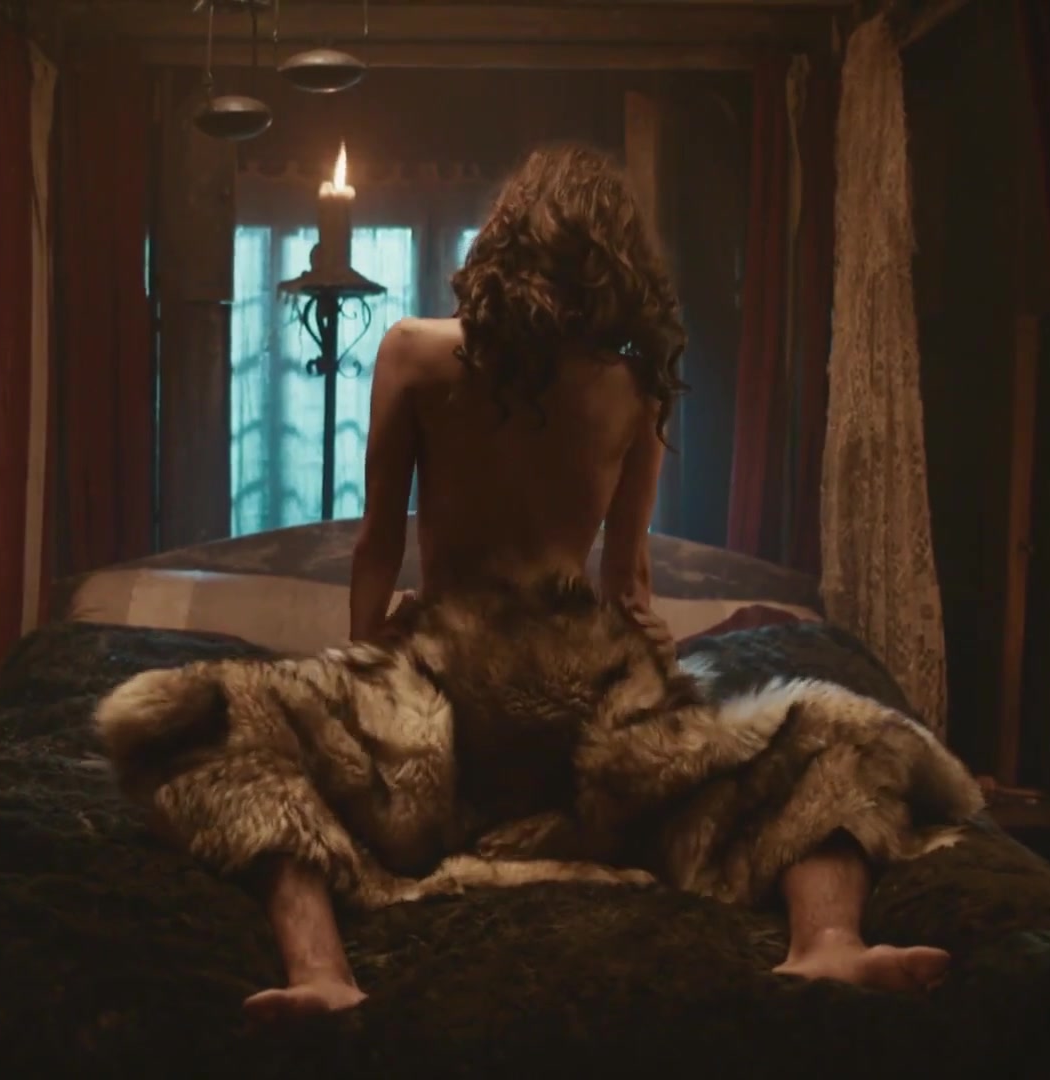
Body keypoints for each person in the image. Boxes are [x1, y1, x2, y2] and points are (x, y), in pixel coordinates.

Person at [242, 143, 949, 1024]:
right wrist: (656, 665)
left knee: (247, 733)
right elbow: (627, 580)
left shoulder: (414, 352)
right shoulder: (635, 384)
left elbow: (378, 541)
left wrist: (362, 663)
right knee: (829, 736)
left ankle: (320, 970)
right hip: (582, 704)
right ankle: (829, 941)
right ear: (615, 261)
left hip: (446, 692)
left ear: (505, 240)